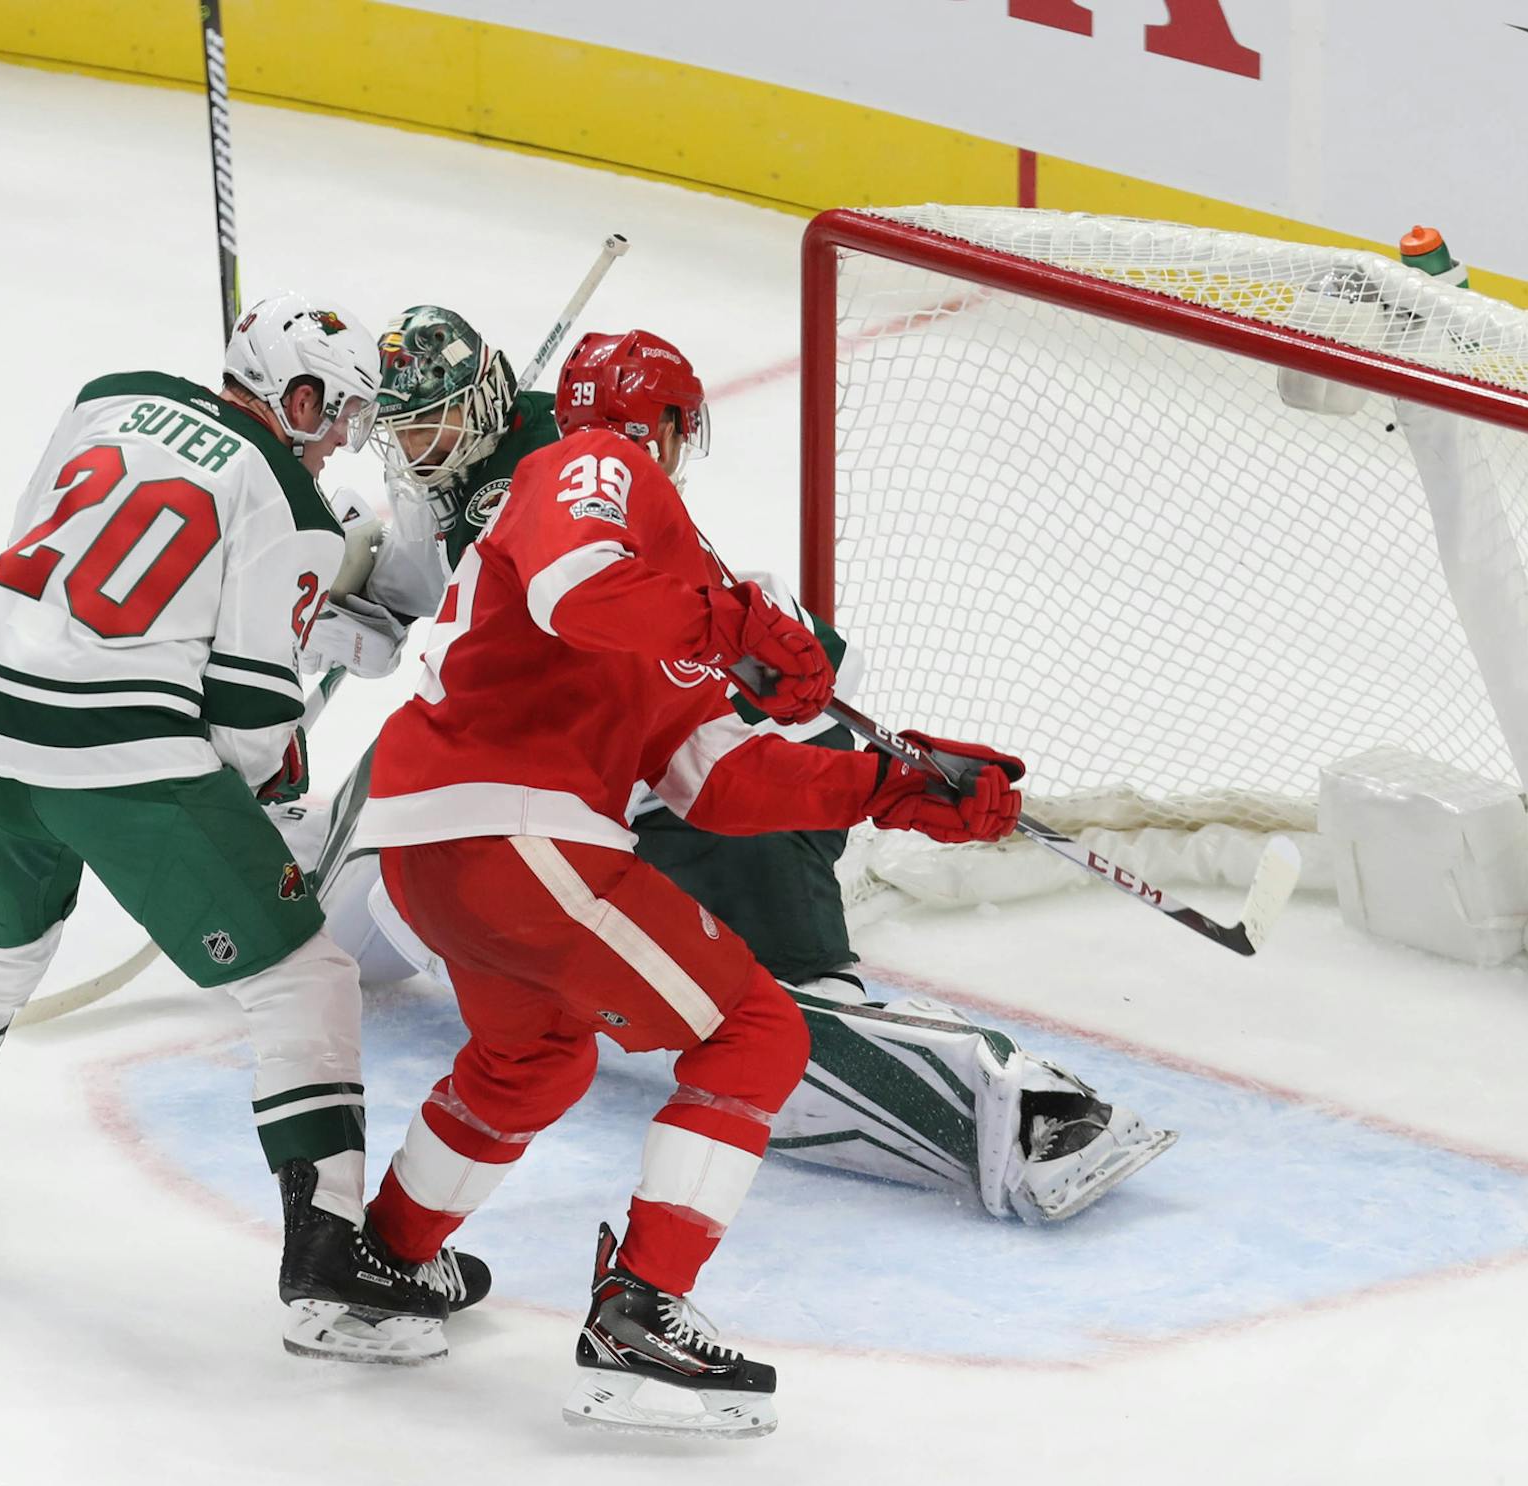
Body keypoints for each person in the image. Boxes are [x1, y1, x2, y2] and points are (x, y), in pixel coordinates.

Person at [297, 306, 1173, 1230]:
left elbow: (698, 750)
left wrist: (887, 784)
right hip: (573, 797)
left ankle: (1012, 1105)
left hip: (569, 803)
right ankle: (408, 1250)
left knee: (765, 1019)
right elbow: (612, 650)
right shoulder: (615, 512)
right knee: (755, 1017)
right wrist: (880, 774)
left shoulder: (595, 501)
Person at [337, 325, 1024, 1437]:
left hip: (432, 853)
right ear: (666, 422)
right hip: (518, 835)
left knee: (533, 1062)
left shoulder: (665, 581)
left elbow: (716, 779)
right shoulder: (591, 466)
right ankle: (641, 1319)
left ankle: (384, 1260)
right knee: (756, 1032)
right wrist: (733, 620)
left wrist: (890, 786)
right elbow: (573, 589)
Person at [0, 293, 488, 1366]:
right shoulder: (293, 502)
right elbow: (241, 722)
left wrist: (295, 601)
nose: (344, 444)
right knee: (301, 978)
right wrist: (276, 727)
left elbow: (98, 575)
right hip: (126, 764)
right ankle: (327, 1259)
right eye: (342, 418)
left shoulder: (102, 404)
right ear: (304, 395)